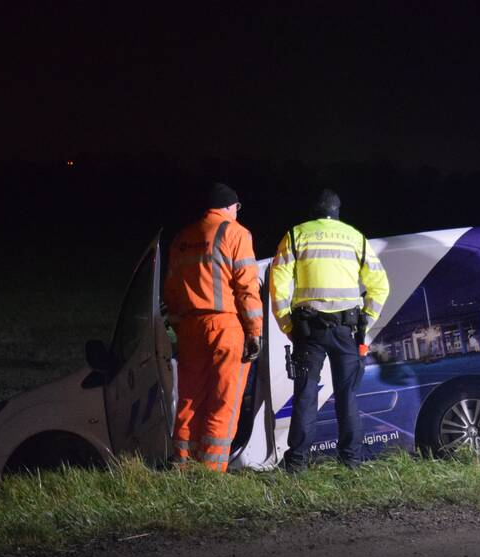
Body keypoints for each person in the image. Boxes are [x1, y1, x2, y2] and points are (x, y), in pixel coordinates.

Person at [270, 189, 389, 471]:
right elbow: (380, 285)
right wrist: (365, 322)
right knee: (347, 396)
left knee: (306, 395)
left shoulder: (296, 235)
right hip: (347, 331)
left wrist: (288, 325)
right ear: (337, 212)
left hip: (308, 331)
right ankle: (351, 462)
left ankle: (297, 464)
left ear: (313, 211)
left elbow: (278, 288)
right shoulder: (355, 238)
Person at [163, 183, 262, 472]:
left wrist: (181, 327)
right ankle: (210, 472)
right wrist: (255, 331)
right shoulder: (236, 233)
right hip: (225, 326)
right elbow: (246, 288)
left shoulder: (182, 238)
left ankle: (182, 464)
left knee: (190, 398)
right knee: (224, 400)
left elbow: (171, 291)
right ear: (230, 206)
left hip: (191, 328)